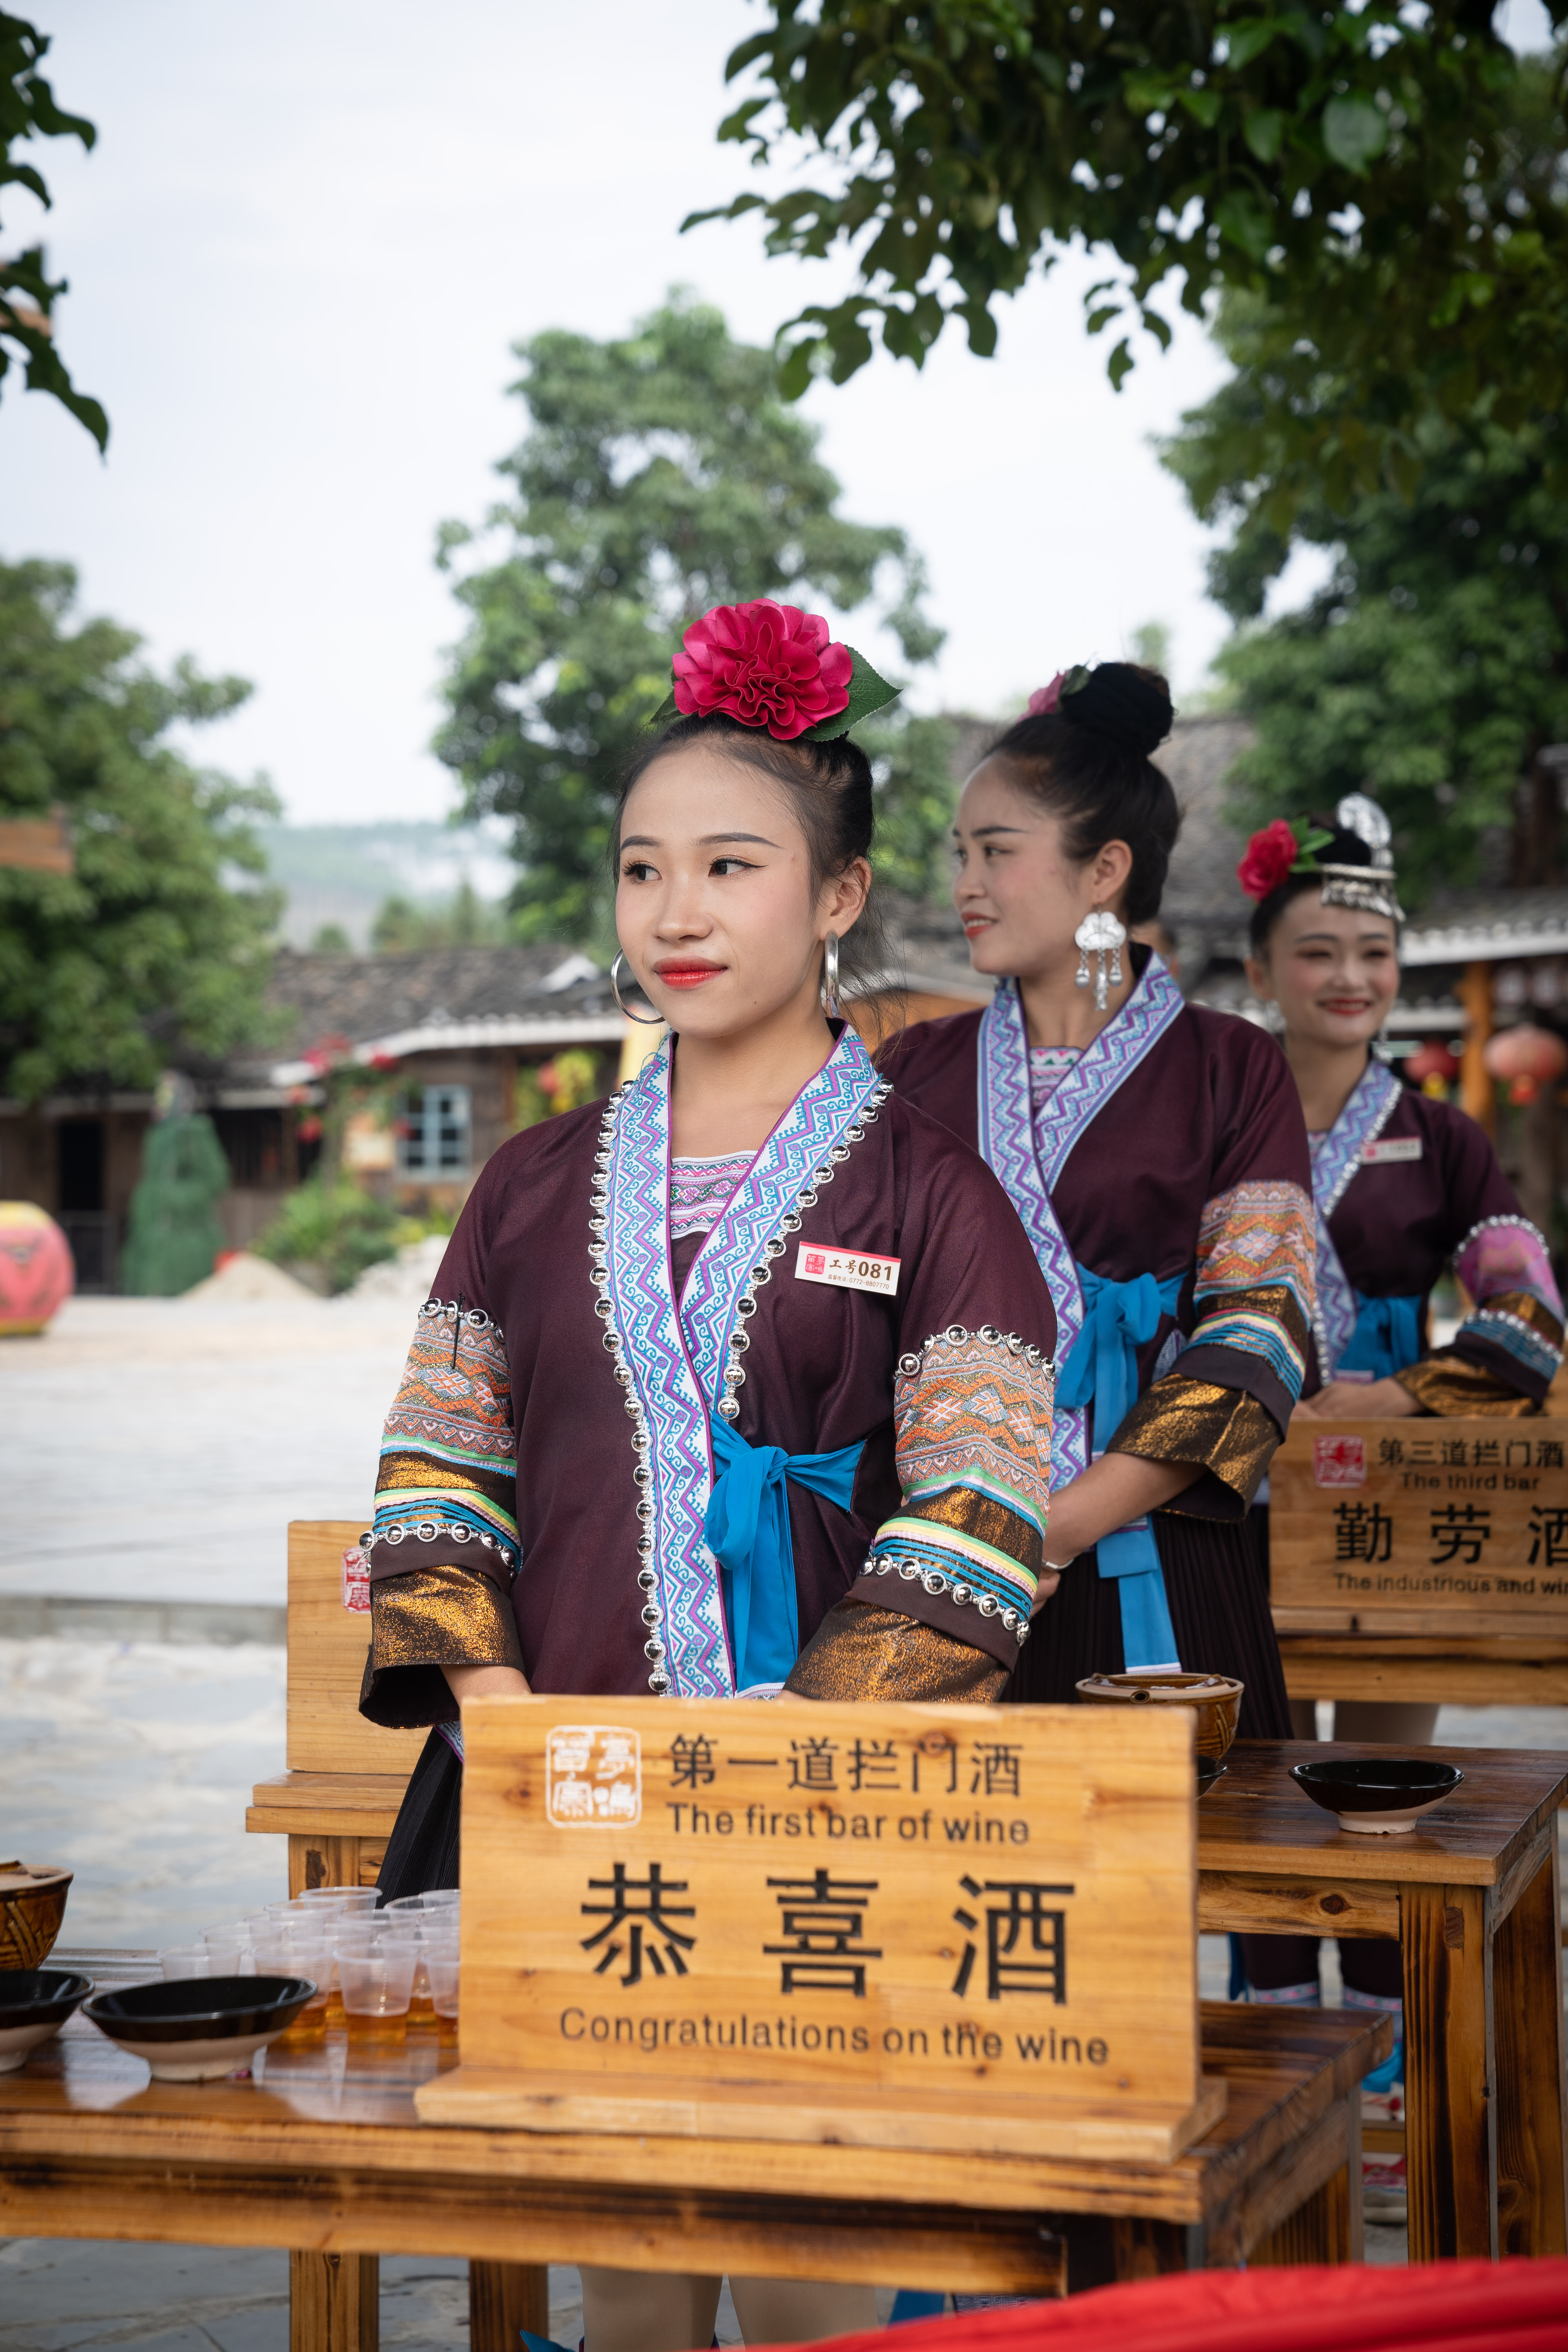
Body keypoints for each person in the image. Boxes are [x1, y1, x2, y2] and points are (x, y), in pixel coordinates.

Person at [356, 598, 1060, 2352]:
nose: (676, 912)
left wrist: (789, 1759)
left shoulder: (938, 1196)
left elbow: (978, 1513)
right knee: (636, 2267)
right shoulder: (524, 1182)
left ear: (834, 900)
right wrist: (511, 1720)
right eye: (640, 869)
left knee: (815, 2262)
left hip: (836, 1809)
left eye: (731, 866)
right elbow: (437, 1473)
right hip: (570, 1794)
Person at [880, 661, 1314, 1729]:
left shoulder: (1233, 1066)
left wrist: (1057, 1526)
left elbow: (1257, 1338)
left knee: (1180, 1879)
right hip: (936, 1560)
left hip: (1149, 1552)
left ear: (1103, 871)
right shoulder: (907, 1073)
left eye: (997, 852)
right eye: (960, 855)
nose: (965, 884)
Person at [1234, 797, 1565, 2064]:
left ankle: (1379, 2077)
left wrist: (1409, 1394)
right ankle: (1274, 2070)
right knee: (1256, 1782)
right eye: (1319, 952)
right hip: (1225, 1490)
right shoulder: (1208, 1118)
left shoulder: (1441, 1138)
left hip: (1384, 1505)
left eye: (1375, 955)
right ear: (1262, 970)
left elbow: (1529, 1313)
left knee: (1377, 1802)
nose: (1353, 978)